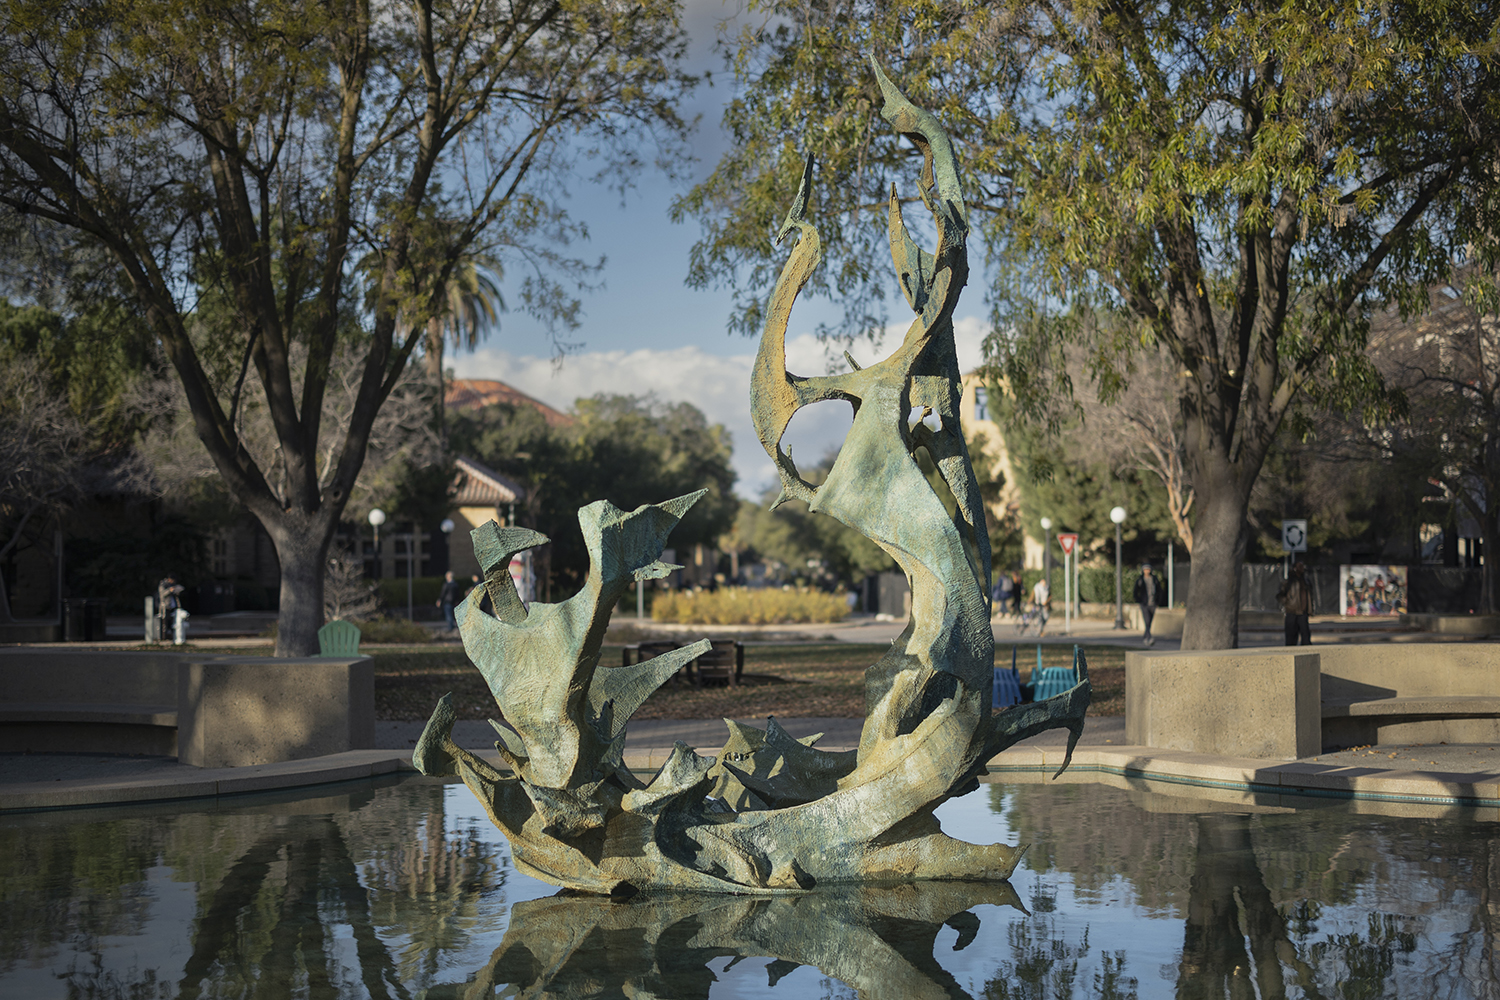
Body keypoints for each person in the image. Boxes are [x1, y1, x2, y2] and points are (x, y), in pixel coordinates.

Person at [1277, 562, 1312, 646]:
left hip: (1302, 612)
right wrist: (1288, 602)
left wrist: (1310, 609)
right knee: (1291, 637)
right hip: (1292, 611)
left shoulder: (1305, 580)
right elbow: (1280, 595)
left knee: (1305, 636)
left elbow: (1309, 595)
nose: (1302, 569)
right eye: (1299, 567)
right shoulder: (1290, 581)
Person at [1133, 562, 1161, 647]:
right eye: (1145, 569)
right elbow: (1135, 591)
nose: (1147, 571)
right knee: (1147, 620)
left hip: (1153, 603)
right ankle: (1149, 638)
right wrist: (1139, 600)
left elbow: (1159, 590)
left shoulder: (1154, 579)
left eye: (1148, 569)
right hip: (1144, 604)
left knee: (1150, 622)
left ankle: (1145, 637)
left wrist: (1158, 601)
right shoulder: (1140, 580)